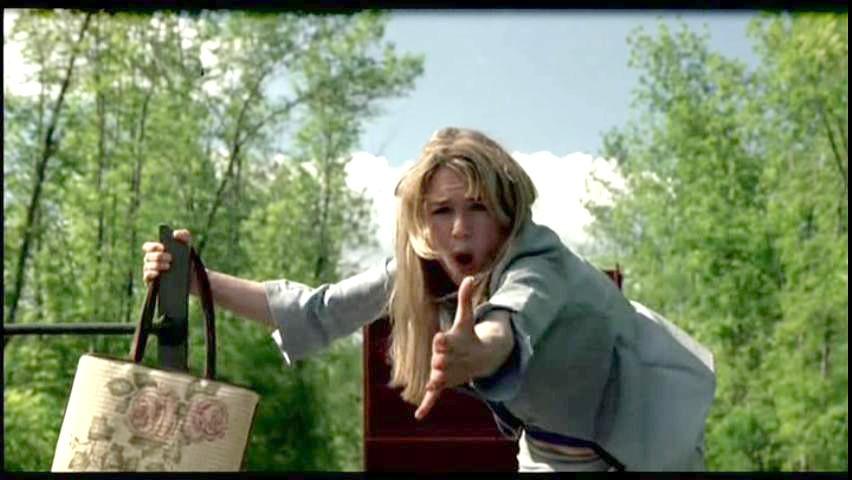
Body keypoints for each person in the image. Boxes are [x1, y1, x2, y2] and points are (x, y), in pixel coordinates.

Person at [142, 127, 715, 472]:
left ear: (506, 211)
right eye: (443, 211)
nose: (460, 228)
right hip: (556, 449)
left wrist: (478, 350)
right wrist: (198, 280)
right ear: (423, 220)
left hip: (650, 431)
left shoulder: (540, 259)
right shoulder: (420, 269)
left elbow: (510, 322)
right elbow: (316, 311)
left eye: (477, 207)